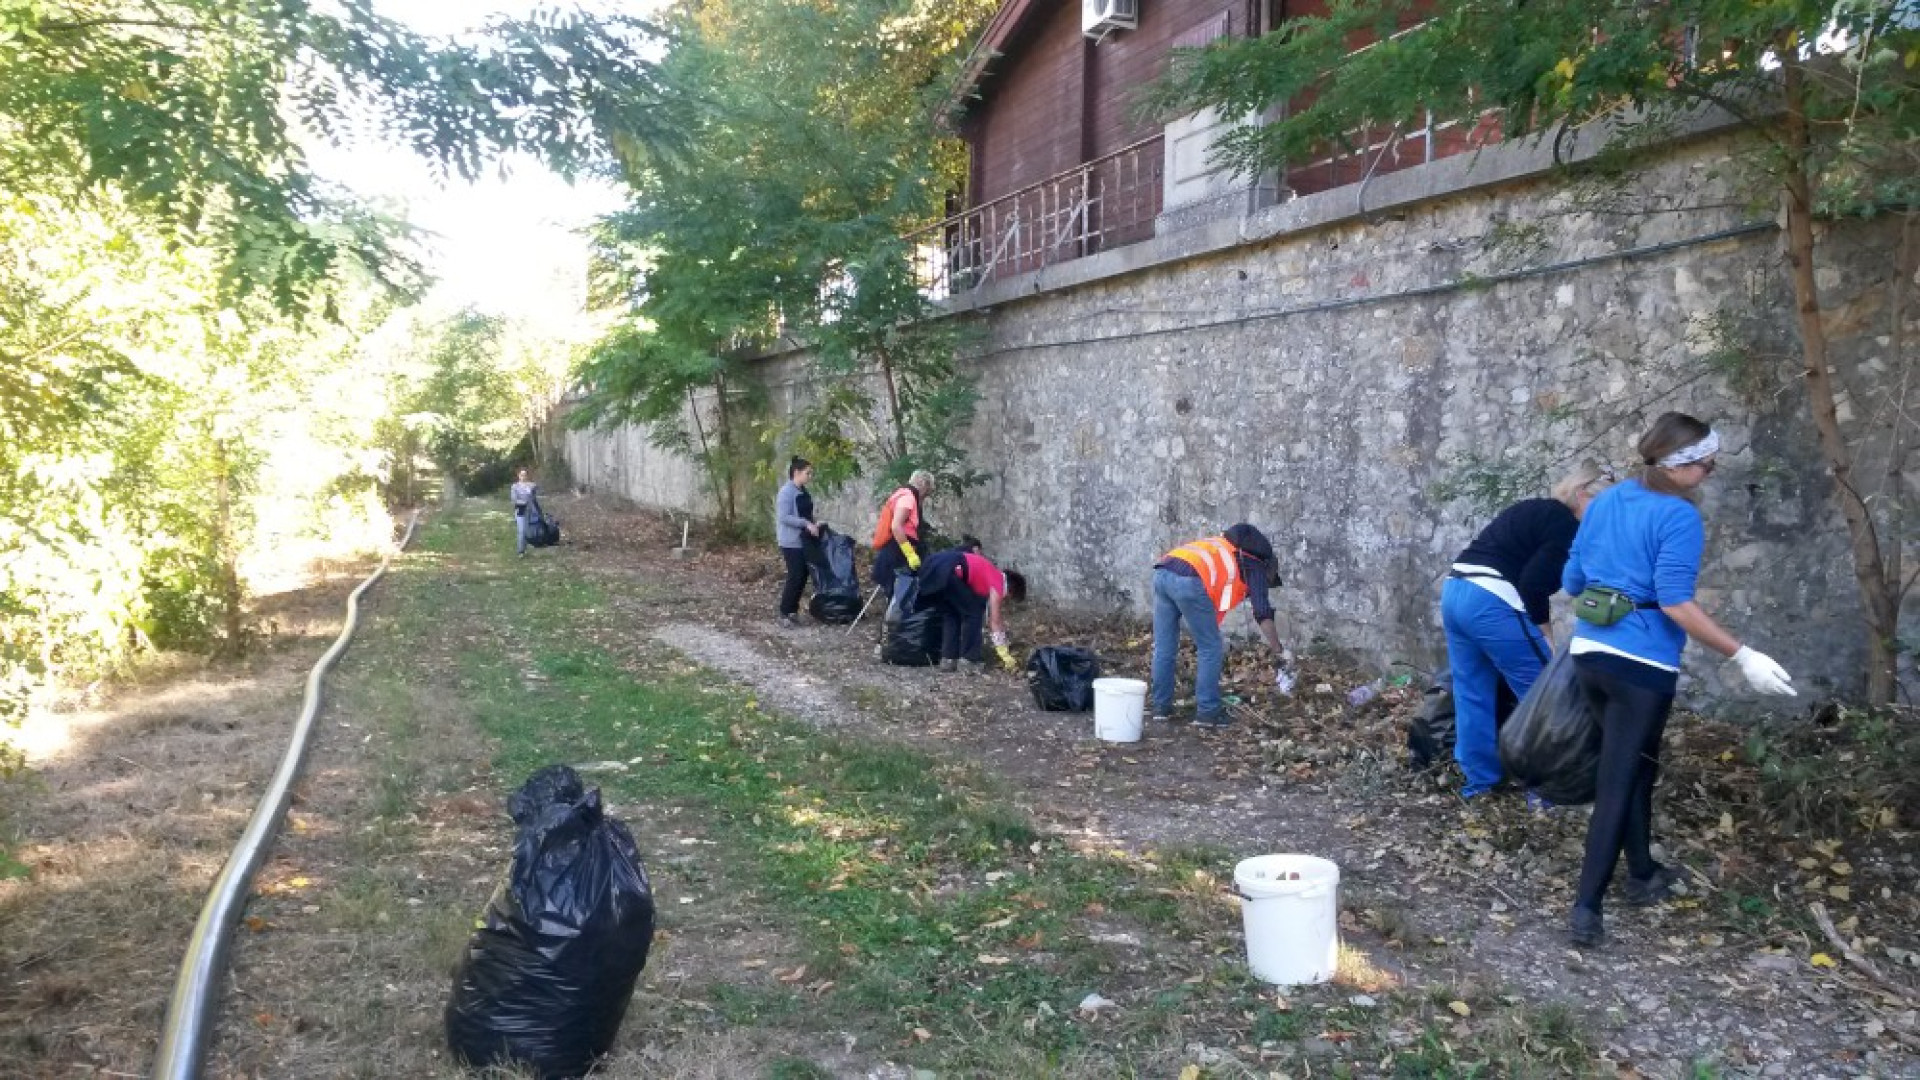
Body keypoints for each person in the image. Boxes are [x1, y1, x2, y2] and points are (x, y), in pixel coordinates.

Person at [1561, 412, 1795, 948]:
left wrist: (1609, 578)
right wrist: (1743, 655)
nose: (1711, 470)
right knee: (1618, 780)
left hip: (1589, 654)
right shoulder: (1679, 519)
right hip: (1640, 668)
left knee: (1638, 768)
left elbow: (1572, 579)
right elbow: (1674, 603)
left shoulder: (1608, 500)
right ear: (1677, 466)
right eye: (1704, 463)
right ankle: (1586, 908)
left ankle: (1642, 876)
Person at [1442, 461, 1613, 800]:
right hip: (1490, 600)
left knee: (1471, 691)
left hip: (1455, 590)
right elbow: (1533, 584)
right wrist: (1546, 635)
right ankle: (1545, 792)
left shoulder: (1534, 509)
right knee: (1542, 696)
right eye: (1601, 504)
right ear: (1581, 495)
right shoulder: (1565, 525)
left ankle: (1478, 784)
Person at [1149, 524, 1288, 729]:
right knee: (1211, 648)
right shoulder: (1255, 565)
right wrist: (1279, 650)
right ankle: (1207, 712)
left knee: (1164, 646)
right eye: (1269, 582)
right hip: (1190, 580)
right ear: (1269, 567)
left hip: (1163, 572)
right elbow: (1262, 612)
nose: (1263, 587)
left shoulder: (1222, 549)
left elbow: (1211, 606)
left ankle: (1160, 707)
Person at [913, 540, 1026, 673]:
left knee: (952, 613)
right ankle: (969, 661)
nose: (1005, 599)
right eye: (1010, 597)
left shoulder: (988, 572)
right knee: (973, 613)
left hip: (934, 567)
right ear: (1011, 589)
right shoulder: (998, 581)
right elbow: (994, 621)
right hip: (950, 571)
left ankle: (948, 659)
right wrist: (1004, 653)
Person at [874, 469, 935, 624]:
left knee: (897, 599)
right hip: (895, 554)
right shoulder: (908, 497)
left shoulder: (903, 495)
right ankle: (892, 638)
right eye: (926, 492)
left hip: (895, 553)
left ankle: (894, 637)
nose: (925, 497)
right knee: (897, 600)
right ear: (922, 484)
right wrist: (910, 554)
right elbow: (896, 526)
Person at [775, 456, 821, 628]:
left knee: (803, 576)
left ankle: (792, 610)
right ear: (797, 473)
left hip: (803, 540)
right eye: (807, 473)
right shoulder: (786, 492)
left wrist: (814, 523)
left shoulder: (803, 491)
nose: (810, 476)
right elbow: (784, 517)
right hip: (790, 541)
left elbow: (806, 513)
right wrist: (805, 524)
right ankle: (784, 612)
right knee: (795, 576)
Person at [509, 468, 538, 557]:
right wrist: (523, 502)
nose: (523, 477)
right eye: (521, 475)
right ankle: (520, 551)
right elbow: (514, 500)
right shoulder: (515, 486)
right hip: (520, 510)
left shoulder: (531, 485)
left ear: (527, 476)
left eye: (525, 475)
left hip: (530, 511)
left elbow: (535, 494)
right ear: (518, 476)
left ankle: (524, 549)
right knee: (521, 531)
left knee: (527, 531)